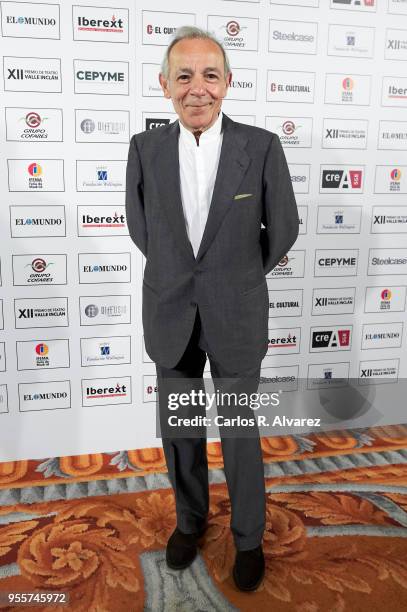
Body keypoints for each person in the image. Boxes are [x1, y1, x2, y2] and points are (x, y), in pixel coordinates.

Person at [126, 26, 299, 591]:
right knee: (180, 430)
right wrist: (184, 275)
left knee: (240, 431)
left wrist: (237, 277)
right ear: (164, 85)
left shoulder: (262, 145)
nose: (196, 89)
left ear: (227, 82)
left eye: (208, 75)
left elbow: (284, 230)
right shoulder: (144, 149)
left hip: (237, 312)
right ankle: (189, 521)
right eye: (183, 76)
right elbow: (142, 227)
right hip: (171, 310)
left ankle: (249, 538)